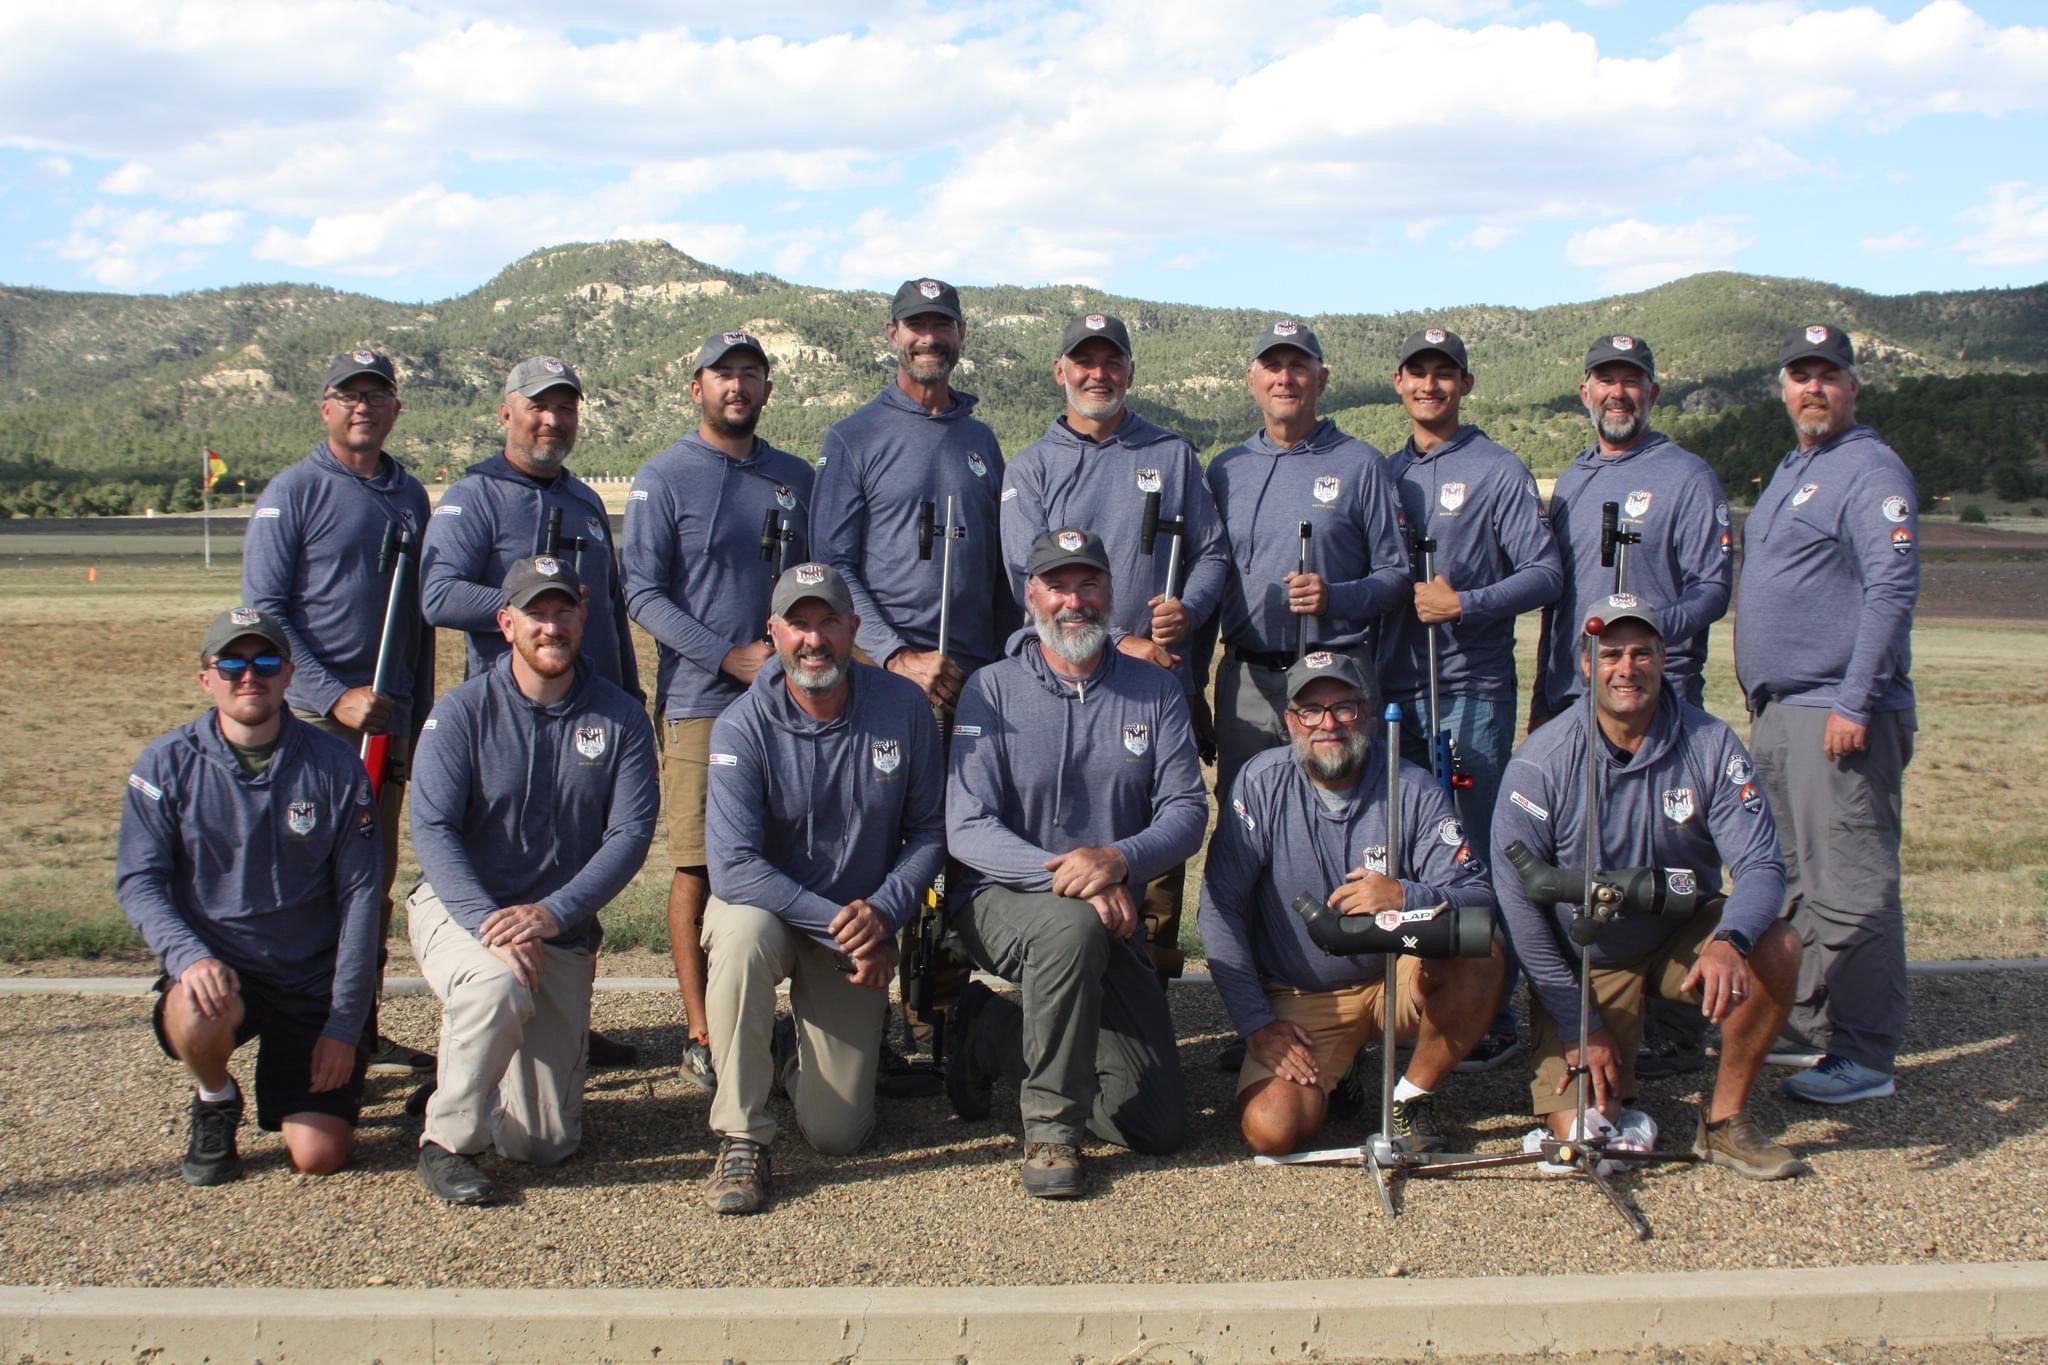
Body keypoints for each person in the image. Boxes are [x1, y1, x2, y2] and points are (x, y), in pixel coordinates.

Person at [1491, 595, 1806, 1180]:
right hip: (1587, 956)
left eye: (1641, 653)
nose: (1626, 668)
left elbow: (1762, 865)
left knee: (1777, 945)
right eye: (1611, 654)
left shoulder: (1711, 743)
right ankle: (1609, 1085)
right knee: (1585, 1131)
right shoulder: (1542, 760)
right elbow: (1518, 907)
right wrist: (1582, 1023)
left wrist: (1731, 940)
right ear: (1586, 663)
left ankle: (1725, 1120)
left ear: (1664, 658)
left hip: (1678, 936)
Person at [945, 528, 1206, 1197]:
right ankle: (1051, 1129)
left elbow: (1186, 811)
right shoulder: (990, 689)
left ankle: (991, 1031)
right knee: (1071, 927)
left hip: (1110, 914)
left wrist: (1118, 858)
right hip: (1001, 899)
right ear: (1031, 595)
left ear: (1110, 592)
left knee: (1155, 1125)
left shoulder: (1154, 690)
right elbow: (968, 827)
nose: (1074, 600)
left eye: (1088, 583)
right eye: (1057, 586)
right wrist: (1075, 878)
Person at [407, 557, 658, 1204]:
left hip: (556, 926)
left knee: (542, 1142)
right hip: (462, 907)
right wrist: (488, 924)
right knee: (495, 984)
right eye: (536, 613)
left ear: (583, 616)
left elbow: (629, 836)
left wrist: (552, 914)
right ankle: (446, 1141)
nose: (551, 626)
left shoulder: (621, 717)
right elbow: (432, 828)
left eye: (563, 611)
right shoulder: (461, 712)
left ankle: (470, 1069)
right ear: (505, 622)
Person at [698, 563, 945, 1214]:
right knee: (738, 932)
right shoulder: (741, 725)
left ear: (854, 628)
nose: (814, 640)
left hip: (859, 919)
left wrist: (886, 911)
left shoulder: (903, 707)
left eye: (828, 621)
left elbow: (929, 831)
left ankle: (783, 1050)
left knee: (838, 1134)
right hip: (780, 913)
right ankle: (741, 1135)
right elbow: (733, 867)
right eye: (798, 624)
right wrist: (850, 929)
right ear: (773, 632)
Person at [420, 355, 642, 1067]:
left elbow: (608, 609)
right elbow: (437, 594)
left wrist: (630, 694)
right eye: (539, 406)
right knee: (511, 856)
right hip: (509, 718)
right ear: (507, 413)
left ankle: (567, 1018)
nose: (552, 420)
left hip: (593, 714)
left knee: (578, 855)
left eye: (565, 407)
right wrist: (532, 612)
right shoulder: (475, 496)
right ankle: (482, 1024)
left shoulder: (584, 501)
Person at [810, 277, 1011, 1056]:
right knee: (888, 842)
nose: (930, 339)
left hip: (972, 682)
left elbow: (998, 575)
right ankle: (866, 1012)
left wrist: (1000, 670)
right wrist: (896, 652)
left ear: (961, 336)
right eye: (916, 325)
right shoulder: (855, 437)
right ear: (892, 334)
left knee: (961, 842)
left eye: (943, 326)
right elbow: (833, 564)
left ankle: (941, 1011)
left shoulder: (981, 440)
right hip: (888, 679)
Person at [1199, 650, 1504, 1157]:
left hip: (1399, 974)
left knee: (1480, 951)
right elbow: (1219, 907)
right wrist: (1256, 1025)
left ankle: (1411, 1097)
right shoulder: (1259, 782)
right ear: (1290, 721)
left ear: (1368, 713)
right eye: (1311, 710)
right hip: (1307, 992)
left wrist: (1406, 894)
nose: (1328, 724)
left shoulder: (1413, 786)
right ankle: (1343, 1071)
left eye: (1343, 707)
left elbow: (1479, 896)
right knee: (1272, 1131)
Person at [999, 311, 1229, 982]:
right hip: (1065, 690)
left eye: (1111, 361)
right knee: (1073, 834)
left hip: (1157, 688)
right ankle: (1065, 984)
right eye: (1084, 361)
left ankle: (1146, 996)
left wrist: (1188, 609)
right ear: (1060, 370)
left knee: (1157, 852)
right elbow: (1027, 580)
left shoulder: (1172, 454)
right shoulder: (1032, 467)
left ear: (1130, 369)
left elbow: (1212, 553)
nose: (1097, 374)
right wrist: (1123, 640)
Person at [116, 607, 380, 1184]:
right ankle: (215, 1096)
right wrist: (189, 958)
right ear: (205, 678)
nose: (248, 676)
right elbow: (139, 880)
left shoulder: (335, 764)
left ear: (288, 674)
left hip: (310, 978)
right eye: (231, 664)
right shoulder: (165, 763)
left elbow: (361, 898)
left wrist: (343, 1026)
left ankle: (298, 1075)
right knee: (192, 1008)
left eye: (265, 662)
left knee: (318, 1156)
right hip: (224, 971)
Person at [1531, 335, 1734, 1080]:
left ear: (1653, 391)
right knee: (1581, 856)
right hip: (1571, 698)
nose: (1618, 393)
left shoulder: (1686, 476)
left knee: (1665, 850)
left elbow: (1713, 589)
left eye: (1632, 381)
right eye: (1605, 380)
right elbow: (1558, 595)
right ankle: (1578, 1008)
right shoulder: (1576, 479)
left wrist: (1643, 630)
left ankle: (1675, 1021)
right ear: (1585, 391)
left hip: (1656, 697)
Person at [623, 330, 814, 1093]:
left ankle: (798, 1022)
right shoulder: (664, 476)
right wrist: (724, 654)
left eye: (751, 374)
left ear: (768, 388)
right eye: (723, 374)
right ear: (696, 387)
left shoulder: (795, 477)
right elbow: (642, 592)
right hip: (704, 701)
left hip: (794, 703)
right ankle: (702, 1028)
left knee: (796, 854)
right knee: (699, 864)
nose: (737, 386)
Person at [1736, 323, 1919, 1105]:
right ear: (1783, 387)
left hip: (1834, 710)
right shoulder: (1796, 467)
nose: (1814, 388)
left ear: (1853, 386)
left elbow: (1892, 588)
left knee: (1849, 882)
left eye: (1828, 375)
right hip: (1783, 710)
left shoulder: (1871, 469)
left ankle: (1865, 1053)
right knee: (1795, 880)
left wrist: (1855, 698)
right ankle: (1811, 1025)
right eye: (1800, 375)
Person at [242, 348, 435, 1076]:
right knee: (303, 883)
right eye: (349, 395)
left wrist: (414, 718)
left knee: (368, 884)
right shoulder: (293, 492)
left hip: (387, 726)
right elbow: (264, 616)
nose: (363, 407)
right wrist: (332, 694)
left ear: (395, 409)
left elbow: (417, 624)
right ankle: (294, 1036)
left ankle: (358, 1029)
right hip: (314, 724)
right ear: (325, 406)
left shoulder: (410, 496)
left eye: (376, 395)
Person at [1381, 326, 1563, 1071]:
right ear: (1398, 382)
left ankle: (1491, 1010)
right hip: (1395, 688)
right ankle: (1420, 999)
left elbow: (1545, 572)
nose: (1431, 385)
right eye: (1418, 372)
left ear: (1465, 383)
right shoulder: (1386, 472)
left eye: (1444, 373)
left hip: (1469, 692)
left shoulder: (1497, 469)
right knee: (1406, 848)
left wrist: (1467, 604)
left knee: (1473, 849)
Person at [1206, 319, 1408, 806]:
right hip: (1249, 681)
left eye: (1298, 366)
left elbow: (1397, 577)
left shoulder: (1362, 464)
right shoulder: (1225, 469)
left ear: (1322, 379)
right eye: (1272, 366)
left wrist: (1334, 597)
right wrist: (1193, 684)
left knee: (1347, 809)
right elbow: (1210, 575)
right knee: (1245, 811)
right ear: (1251, 380)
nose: (1285, 378)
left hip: (1335, 680)